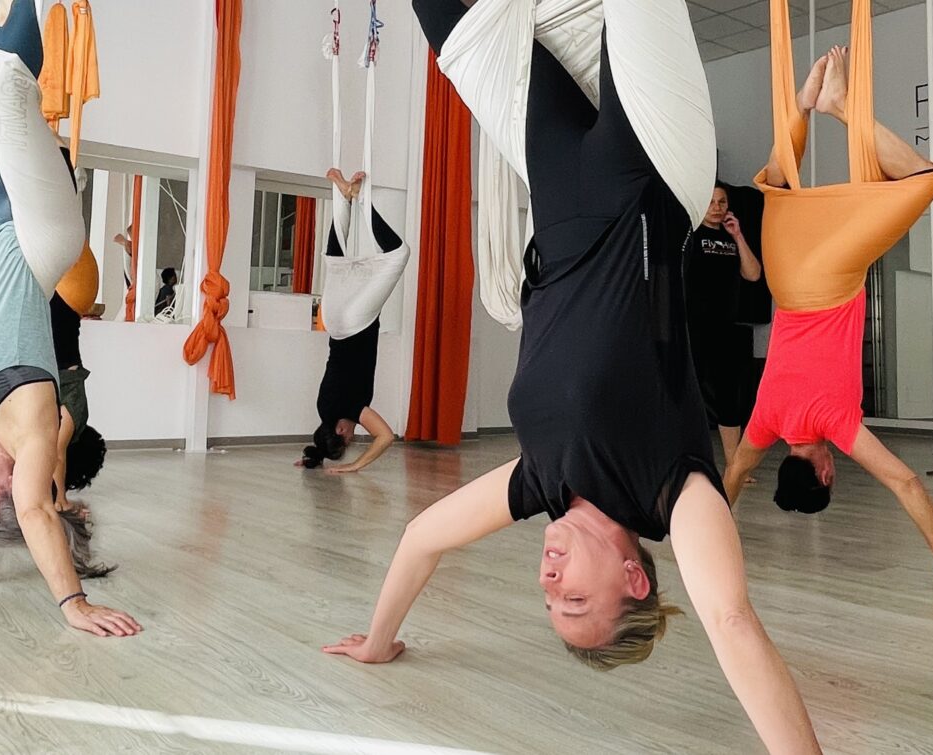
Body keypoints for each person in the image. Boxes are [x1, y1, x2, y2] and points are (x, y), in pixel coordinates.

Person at [328, 2, 821, 751]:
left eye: (549, 601)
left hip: (558, 188)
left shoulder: (540, 482)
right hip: (656, 168)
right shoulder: (673, 488)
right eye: (576, 597)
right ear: (635, 578)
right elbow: (730, 620)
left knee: (447, 25)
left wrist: (380, 639)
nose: (548, 583)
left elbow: (423, 536)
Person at [722, 38, 933, 600]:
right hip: (785, 277)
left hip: (826, 279)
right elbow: (731, 482)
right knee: (774, 187)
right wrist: (702, 539)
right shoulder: (765, 424)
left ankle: (840, 107)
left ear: (825, 472)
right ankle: (800, 107)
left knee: (925, 181)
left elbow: (906, 482)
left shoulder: (835, 424)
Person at [0, 0, 140, 636]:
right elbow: (38, 512)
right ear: (9, 494)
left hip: (7, 233)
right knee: (3, 89)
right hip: (42, 236)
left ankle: (4, 19)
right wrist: (73, 604)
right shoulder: (31, 436)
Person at [298, 169, 398, 473]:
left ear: (341, 432)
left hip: (357, 324)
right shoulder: (323, 409)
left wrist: (353, 466)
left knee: (397, 254)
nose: (356, 435)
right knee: (336, 263)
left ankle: (360, 199)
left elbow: (386, 437)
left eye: (351, 439)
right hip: (333, 321)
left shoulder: (349, 410)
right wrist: (312, 459)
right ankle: (342, 196)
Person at [687, 182, 762, 470]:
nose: (717, 208)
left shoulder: (732, 239)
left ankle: (734, 465)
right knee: (687, 397)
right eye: (712, 202)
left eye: (722, 202)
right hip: (693, 329)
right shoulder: (690, 236)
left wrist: (738, 235)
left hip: (725, 330)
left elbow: (753, 275)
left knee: (729, 399)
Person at [50, 290, 107, 512]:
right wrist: (61, 499)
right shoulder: (76, 416)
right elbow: (57, 453)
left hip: (58, 359)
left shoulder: (70, 421)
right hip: (63, 363)